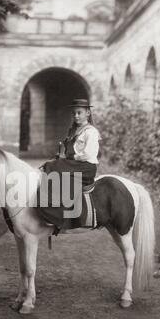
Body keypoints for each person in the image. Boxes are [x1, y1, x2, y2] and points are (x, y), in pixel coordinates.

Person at [38, 98, 101, 231]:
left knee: (53, 167)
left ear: (88, 113)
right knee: (50, 165)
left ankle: (56, 214)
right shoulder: (74, 130)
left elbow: (88, 155)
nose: (76, 116)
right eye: (74, 113)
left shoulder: (91, 132)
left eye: (79, 113)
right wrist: (62, 156)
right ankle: (48, 206)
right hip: (75, 163)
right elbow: (68, 150)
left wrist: (70, 158)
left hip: (86, 166)